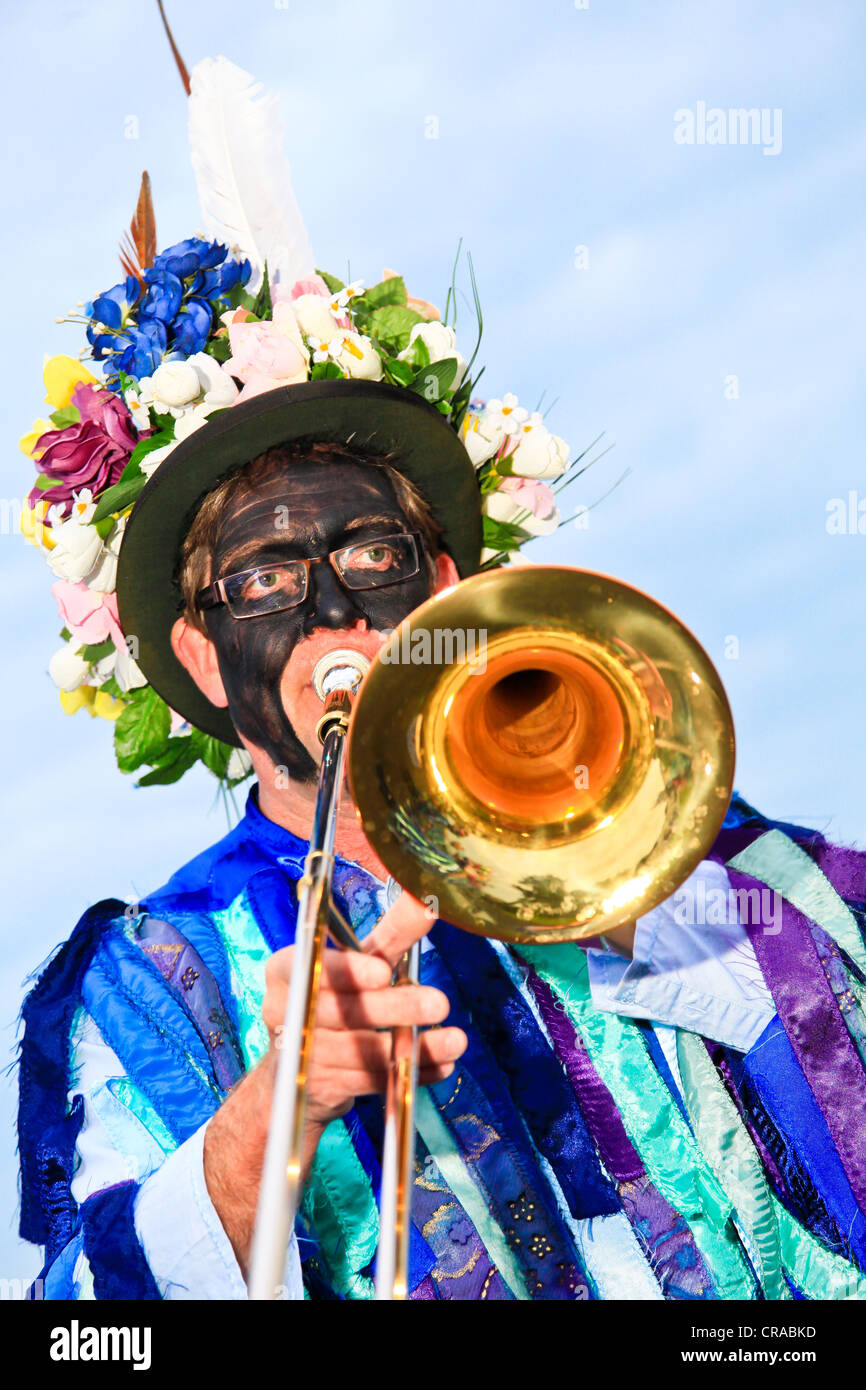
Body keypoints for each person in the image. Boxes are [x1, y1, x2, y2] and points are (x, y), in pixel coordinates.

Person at [17, 369, 866, 1300]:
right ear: (201, 660)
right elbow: (85, 1323)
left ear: (447, 589)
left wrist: (657, 910)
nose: (336, 614)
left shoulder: (661, 826)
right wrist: (275, 1115)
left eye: (377, 558)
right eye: (264, 581)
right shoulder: (149, 971)